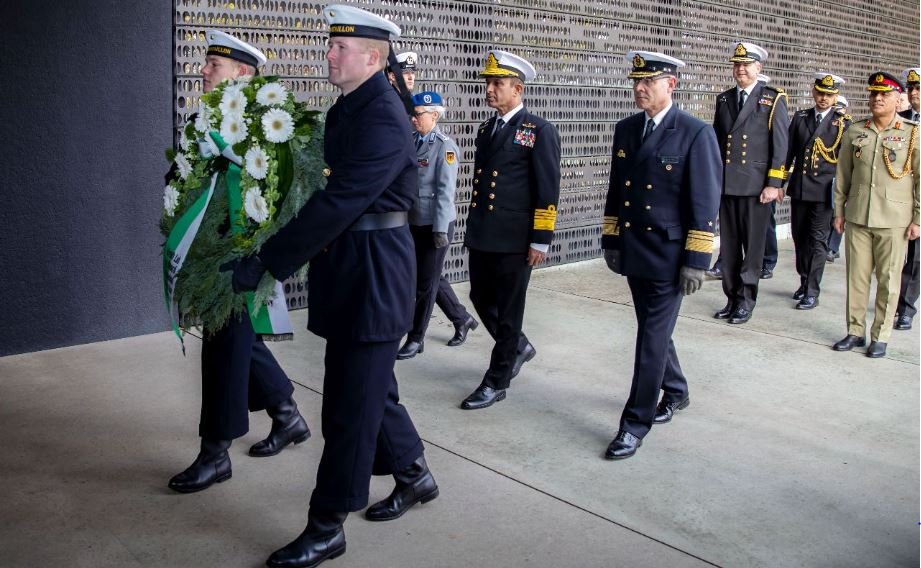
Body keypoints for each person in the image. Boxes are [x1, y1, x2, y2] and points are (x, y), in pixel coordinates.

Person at [230, 6, 437, 566]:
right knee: (372, 389)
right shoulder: (352, 106)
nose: (328, 54)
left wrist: (268, 261)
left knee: (349, 405)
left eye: (339, 48)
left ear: (372, 57)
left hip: (373, 275)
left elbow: (340, 201)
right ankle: (415, 474)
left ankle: (327, 525)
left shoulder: (382, 116)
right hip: (352, 266)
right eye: (330, 46)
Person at [167, 30, 310, 495]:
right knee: (234, 340)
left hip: (241, 255)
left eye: (214, 65)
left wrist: (229, 154)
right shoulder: (199, 120)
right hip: (207, 253)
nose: (203, 71)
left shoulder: (267, 124)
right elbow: (181, 178)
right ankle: (287, 415)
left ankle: (216, 453)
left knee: (225, 347)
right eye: (205, 63)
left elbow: (280, 188)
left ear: (243, 74)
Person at [601, 51, 721, 460]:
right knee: (655, 330)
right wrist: (612, 240)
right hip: (635, 250)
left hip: (670, 257)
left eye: (648, 82)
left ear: (671, 85)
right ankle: (677, 390)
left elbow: (705, 203)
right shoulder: (627, 128)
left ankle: (635, 423)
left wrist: (697, 260)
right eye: (636, 81)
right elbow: (617, 190)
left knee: (649, 339)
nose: (639, 88)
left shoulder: (694, 132)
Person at [460, 49, 561, 410]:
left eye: (497, 83)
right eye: (488, 83)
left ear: (517, 89)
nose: (489, 89)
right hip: (485, 232)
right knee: (479, 298)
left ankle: (497, 379)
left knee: (508, 310)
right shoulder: (487, 128)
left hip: (516, 238)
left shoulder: (538, 131)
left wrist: (541, 239)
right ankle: (518, 345)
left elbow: (548, 188)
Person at [832, 71, 919, 359]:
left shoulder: (912, 133)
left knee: (889, 280)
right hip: (858, 216)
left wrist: (918, 219)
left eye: (884, 94)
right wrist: (839, 211)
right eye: (873, 94)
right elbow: (843, 176)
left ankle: (880, 336)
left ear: (898, 99)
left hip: (894, 220)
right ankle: (855, 331)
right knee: (856, 279)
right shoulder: (856, 130)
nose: (877, 98)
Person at [712, 42, 789, 324]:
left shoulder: (773, 99)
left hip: (757, 187)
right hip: (727, 184)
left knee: (752, 249)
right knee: (729, 248)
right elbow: (717, 143)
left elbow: (780, 146)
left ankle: (746, 301)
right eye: (737, 64)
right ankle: (731, 298)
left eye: (747, 65)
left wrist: (774, 183)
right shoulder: (723, 99)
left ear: (759, 68)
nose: (741, 69)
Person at [397, 91, 477, 359]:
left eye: (418, 114)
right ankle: (462, 318)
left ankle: (416, 338)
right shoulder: (411, 141)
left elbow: (445, 192)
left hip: (435, 224)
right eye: (413, 114)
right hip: (413, 221)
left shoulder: (445, 147)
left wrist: (440, 230)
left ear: (435, 115)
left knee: (424, 284)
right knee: (429, 278)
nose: (413, 119)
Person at [784, 73, 851, 310]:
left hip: (824, 191)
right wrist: (779, 183)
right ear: (813, 92)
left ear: (836, 97)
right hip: (801, 188)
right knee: (800, 237)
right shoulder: (801, 117)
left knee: (818, 240)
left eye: (829, 95)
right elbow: (789, 152)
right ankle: (804, 281)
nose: (823, 98)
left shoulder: (843, 123)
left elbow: (845, 164)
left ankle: (812, 290)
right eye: (820, 93)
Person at [895, 67, 921, 330]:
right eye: (911, 88)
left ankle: (906, 308)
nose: (914, 93)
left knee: (915, 256)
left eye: (918, 88)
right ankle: (893, 298)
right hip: (898, 197)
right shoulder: (898, 119)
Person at [827, 95, 850, 262]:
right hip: (826, 175)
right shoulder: (826, 124)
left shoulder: (847, 126)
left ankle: (833, 247)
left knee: (838, 211)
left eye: (840, 108)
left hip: (839, 175)